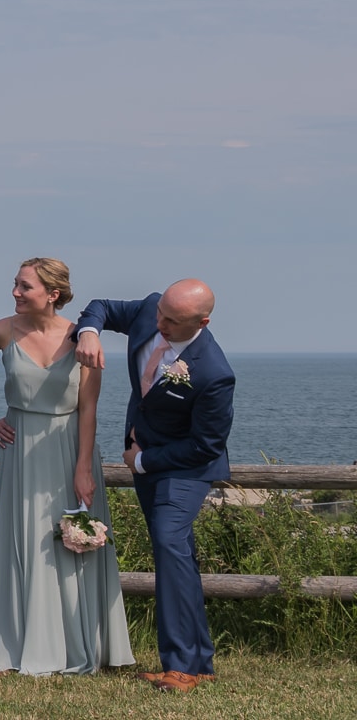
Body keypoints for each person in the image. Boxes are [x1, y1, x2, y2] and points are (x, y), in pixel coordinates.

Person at [0, 258, 133, 675]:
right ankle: (10, 646)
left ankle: (79, 643)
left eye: (25, 287)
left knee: (73, 542)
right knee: (20, 543)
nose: (15, 293)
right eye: (16, 285)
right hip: (20, 449)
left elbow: (89, 409)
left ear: (52, 294)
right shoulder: (2, 331)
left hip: (70, 449)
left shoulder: (83, 340)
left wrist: (83, 467)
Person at [75, 279, 234, 694]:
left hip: (184, 469)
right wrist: (89, 330)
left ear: (202, 322)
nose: (159, 323)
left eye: (172, 320)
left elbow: (206, 445)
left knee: (168, 545)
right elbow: (101, 306)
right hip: (144, 460)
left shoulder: (214, 373)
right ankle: (200, 661)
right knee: (178, 556)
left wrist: (142, 461)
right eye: (160, 312)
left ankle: (180, 666)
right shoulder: (151, 309)